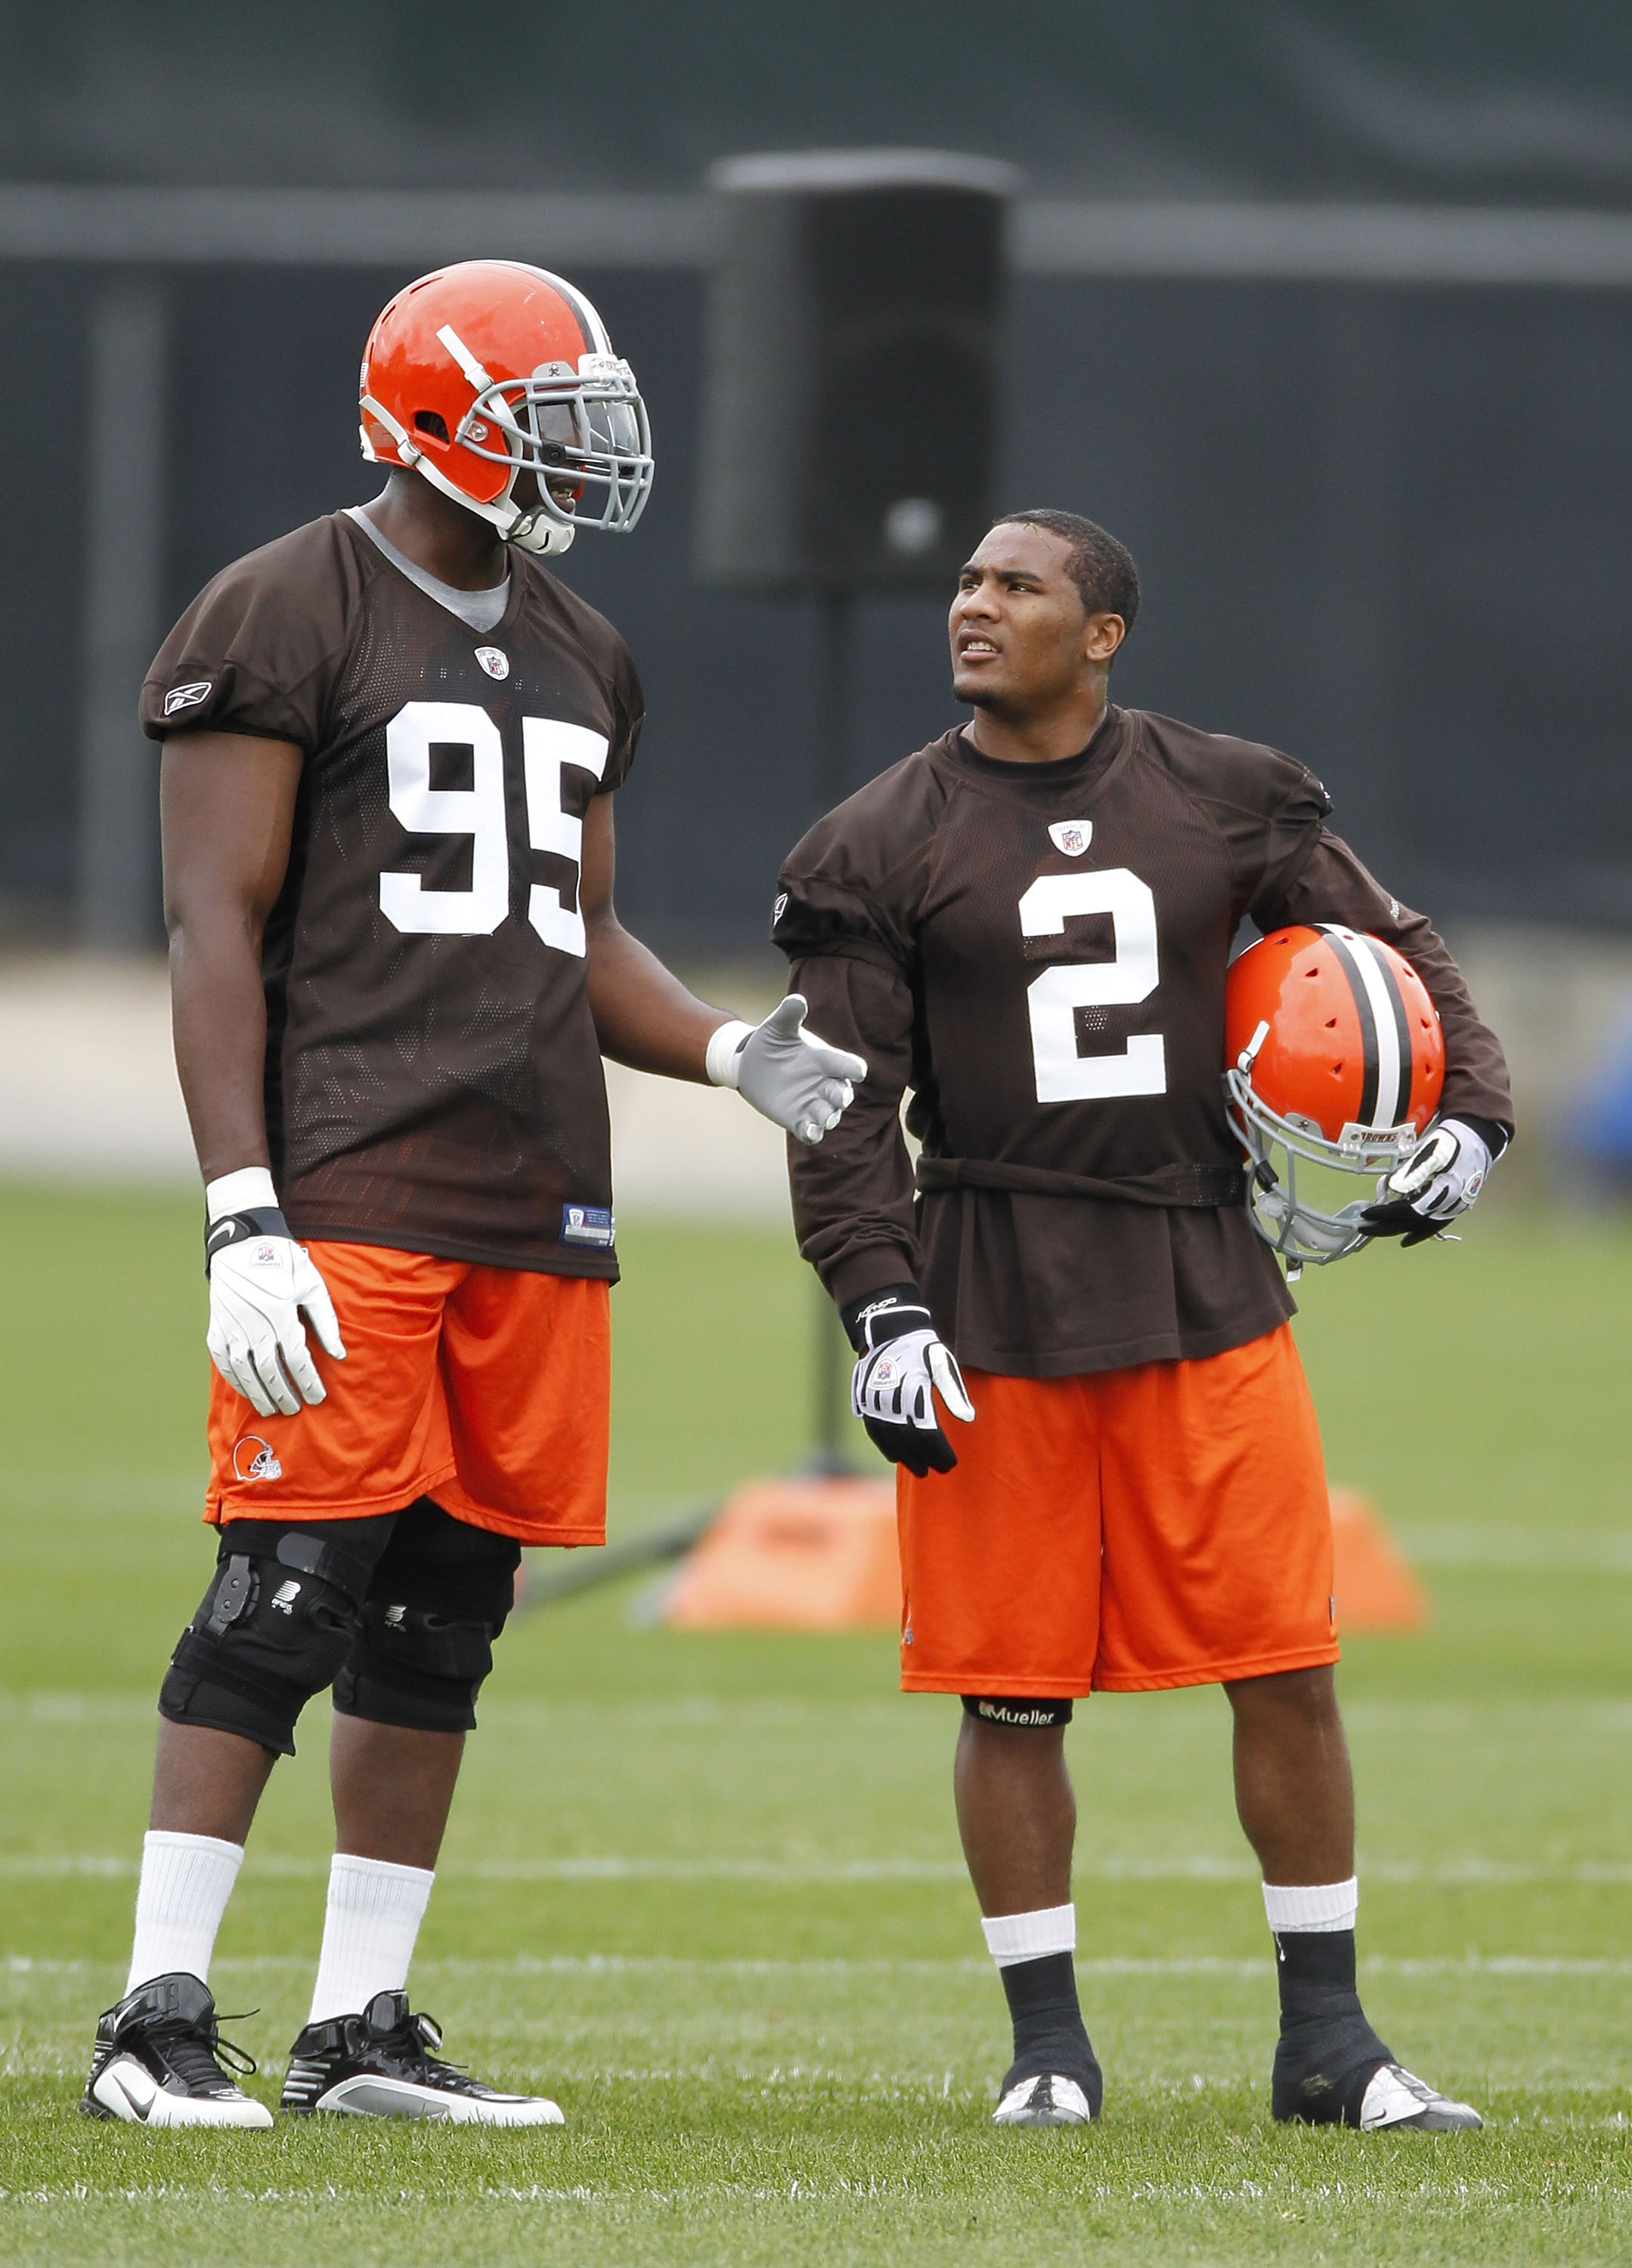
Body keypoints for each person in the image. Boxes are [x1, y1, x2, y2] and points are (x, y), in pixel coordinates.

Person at [82, 259, 866, 2130]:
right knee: (282, 1594)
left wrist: (719, 1051)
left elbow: (574, 933)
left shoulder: (589, 646)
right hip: (350, 1172)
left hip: (533, 1193)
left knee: (446, 1613)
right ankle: (153, 2017)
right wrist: (240, 1209)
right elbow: (217, 924)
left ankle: (361, 2024)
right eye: (547, 416)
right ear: (434, 415)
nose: (584, 453)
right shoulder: (282, 604)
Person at [773, 508, 1512, 2133]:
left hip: (1202, 1283)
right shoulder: (877, 838)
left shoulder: (1226, 789)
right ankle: (1049, 2051)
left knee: (1286, 1665)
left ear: (1103, 631)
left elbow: (1393, 946)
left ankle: (1330, 2043)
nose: (976, 605)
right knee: (1011, 1690)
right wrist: (882, 1308)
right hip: (992, 1301)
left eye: (1018, 585)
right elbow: (839, 1114)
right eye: (967, 582)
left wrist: (1477, 1111)